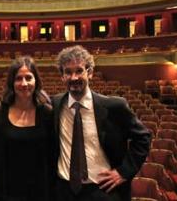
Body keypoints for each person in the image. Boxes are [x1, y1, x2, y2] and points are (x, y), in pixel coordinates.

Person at [52, 45, 151, 201]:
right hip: (63, 191)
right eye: (68, 72)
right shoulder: (54, 105)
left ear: (89, 72)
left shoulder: (114, 106)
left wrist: (123, 172)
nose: (74, 77)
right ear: (62, 76)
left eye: (79, 71)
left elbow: (143, 137)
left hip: (102, 190)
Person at [0, 56, 55, 201]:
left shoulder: (47, 113)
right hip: (5, 192)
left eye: (29, 78)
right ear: (11, 82)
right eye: (18, 78)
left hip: (40, 192)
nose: (24, 83)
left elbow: (53, 155)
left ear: (36, 81)